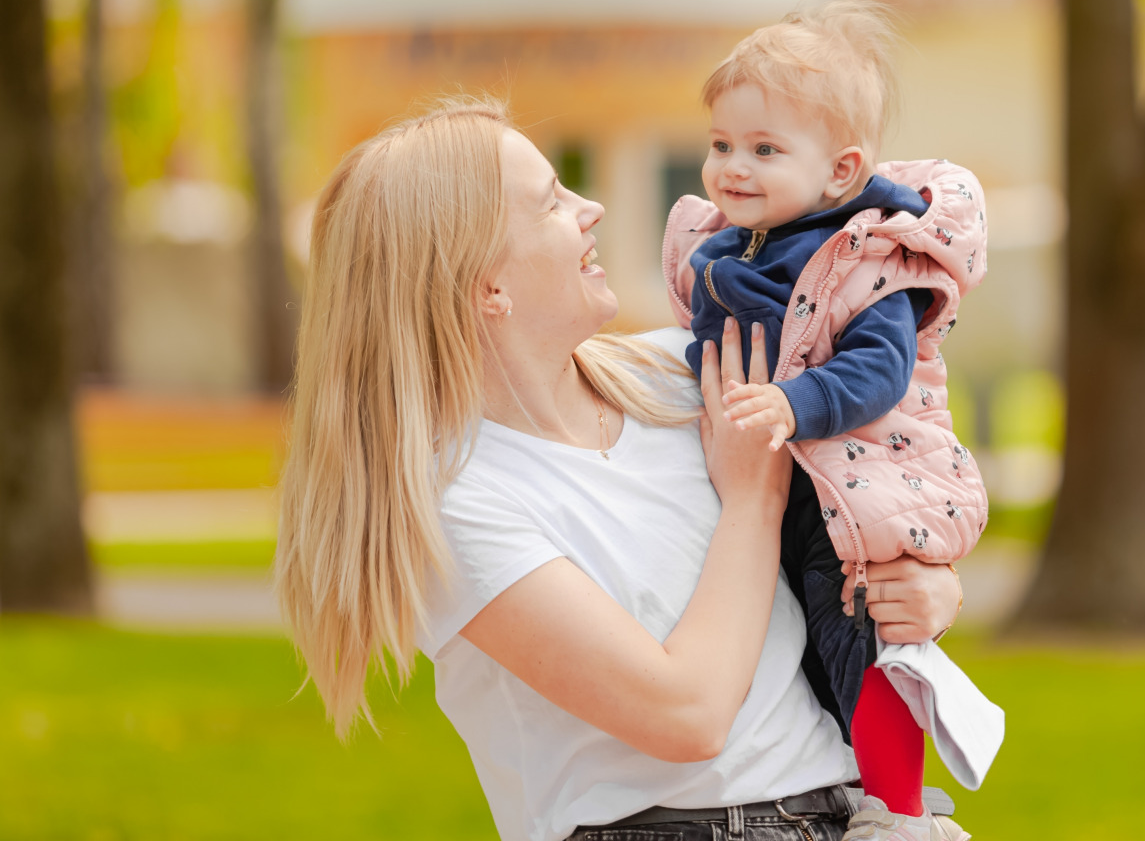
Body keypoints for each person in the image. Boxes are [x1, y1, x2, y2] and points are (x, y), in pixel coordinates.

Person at [273, 99, 968, 841]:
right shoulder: (455, 503)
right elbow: (686, 716)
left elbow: (870, 495)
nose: (591, 208)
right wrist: (750, 504)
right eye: (551, 203)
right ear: (486, 286)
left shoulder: (686, 372)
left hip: (844, 810)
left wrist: (923, 587)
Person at [663, 0, 991, 841]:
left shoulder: (867, 257)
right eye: (722, 145)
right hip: (777, 481)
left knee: (861, 644)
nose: (733, 167)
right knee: (795, 648)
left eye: (765, 150)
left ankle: (903, 814)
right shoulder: (727, 248)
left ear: (842, 171)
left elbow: (879, 371)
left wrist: (792, 401)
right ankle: (845, 782)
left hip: (856, 486)